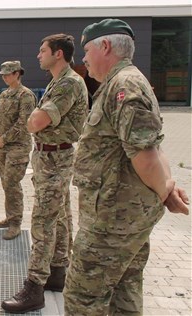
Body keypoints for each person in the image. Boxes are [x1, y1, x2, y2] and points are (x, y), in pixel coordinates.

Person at [62, 19, 190, 315]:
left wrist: (165, 189)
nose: (83, 59)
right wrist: (165, 187)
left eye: (86, 51)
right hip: (121, 216)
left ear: (105, 46)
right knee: (125, 290)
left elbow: (146, 154)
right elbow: (153, 146)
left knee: (83, 297)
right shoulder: (126, 82)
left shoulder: (124, 85)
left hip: (112, 221)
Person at [1, 34, 88, 313]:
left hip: (56, 159)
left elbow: (35, 121)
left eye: (43, 50)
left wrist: (34, 118)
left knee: (42, 223)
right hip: (49, 156)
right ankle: (57, 274)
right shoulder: (57, 81)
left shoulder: (68, 83)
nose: (38, 55)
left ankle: (34, 287)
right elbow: (37, 121)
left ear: (58, 53)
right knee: (60, 218)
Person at [0, 61, 36, 240]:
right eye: (3, 74)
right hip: (2, 147)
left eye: (7, 74)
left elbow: (24, 123)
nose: (4, 77)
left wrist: (4, 138)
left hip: (18, 147)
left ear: (17, 74)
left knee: (12, 184)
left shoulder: (26, 95)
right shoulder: (3, 95)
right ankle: (10, 217)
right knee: (5, 183)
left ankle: (15, 223)